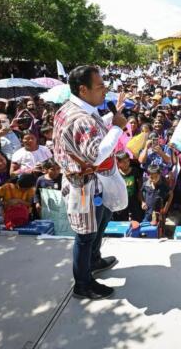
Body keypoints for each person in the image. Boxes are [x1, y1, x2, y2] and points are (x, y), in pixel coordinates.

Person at [52, 65, 126, 300]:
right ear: (83, 89)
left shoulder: (75, 109)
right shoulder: (80, 117)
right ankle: (83, 284)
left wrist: (110, 119)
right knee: (85, 234)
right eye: (100, 86)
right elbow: (96, 154)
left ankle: (93, 260)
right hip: (83, 186)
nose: (105, 90)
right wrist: (117, 127)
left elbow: (91, 131)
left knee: (102, 217)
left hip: (95, 182)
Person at [115, 151, 144, 224]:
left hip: (134, 200)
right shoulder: (116, 174)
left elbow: (140, 188)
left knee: (137, 220)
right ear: (118, 163)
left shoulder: (135, 171)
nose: (126, 163)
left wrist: (142, 201)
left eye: (128, 161)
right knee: (121, 221)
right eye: (123, 162)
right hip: (121, 202)